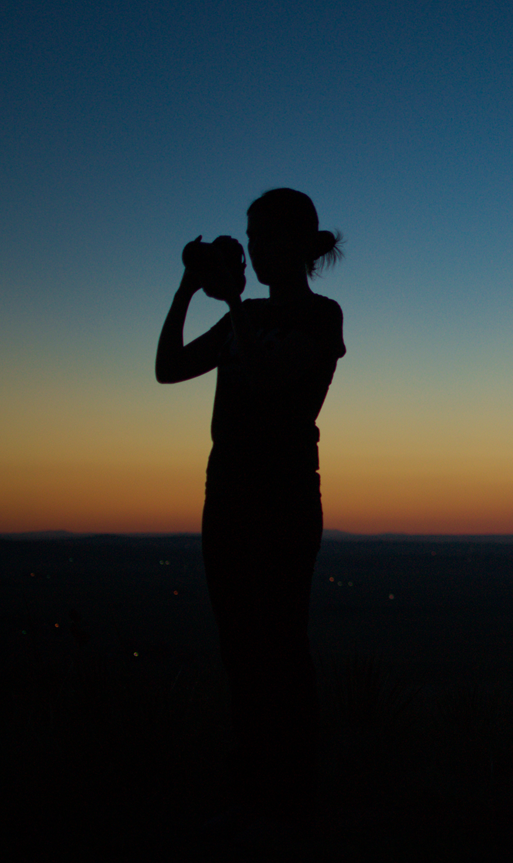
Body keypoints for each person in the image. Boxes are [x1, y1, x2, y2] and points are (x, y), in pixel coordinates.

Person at [156, 188, 345, 828]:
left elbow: (270, 383)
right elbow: (167, 368)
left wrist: (233, 303)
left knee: (282, 644)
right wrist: (187, 289)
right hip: (228, 489)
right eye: (251, 236)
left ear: (300, 245)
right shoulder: (246, 312)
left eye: (268, 236)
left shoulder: (321, 316)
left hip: (283, 493)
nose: (257, 248)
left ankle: (292, 791)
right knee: (239, 643)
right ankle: (252, 784)